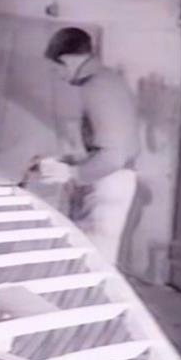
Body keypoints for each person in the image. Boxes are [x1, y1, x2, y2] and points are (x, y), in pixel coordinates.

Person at [38, 27, 140, 265]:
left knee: (92, 261)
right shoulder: (109, 80)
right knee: (93, 256)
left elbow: (114, 156)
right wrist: (68, 161)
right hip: (113, 176)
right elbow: (108, 144)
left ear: (67, 60)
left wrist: (73, 173)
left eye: (57, 69)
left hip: (109, 181)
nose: (60, 76)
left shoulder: (97, 88)